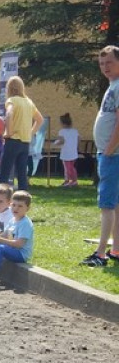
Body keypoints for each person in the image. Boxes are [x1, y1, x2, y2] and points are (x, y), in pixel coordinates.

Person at [81, 45, 119, 266]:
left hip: (112, 155)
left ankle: (101, 253)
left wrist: (109, 149)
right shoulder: (112, 85)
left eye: (110, 62)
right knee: (114, 204)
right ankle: (115, 249)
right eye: (102, 63)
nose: (105, 67)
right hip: (110, 153)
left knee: (106, 204)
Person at [0, 76, 43, 192]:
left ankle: (2, 202)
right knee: (22, 174)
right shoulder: (28, 102)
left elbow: (9, 114)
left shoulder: (11, 100)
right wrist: (31, 133)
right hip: (25, 142)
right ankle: (23, 201)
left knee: (5, 173)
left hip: (13, 140)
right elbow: (40, 120)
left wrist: (8, 132)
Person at [53, 112, 80, 187]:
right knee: (71, 167)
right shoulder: (75, 131)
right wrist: (76, 147)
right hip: (73, 152)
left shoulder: (62, 131)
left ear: (63, 123)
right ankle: (68, 180)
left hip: (66, 152)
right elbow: (78, 139)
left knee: (68, 168)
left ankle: (73, 180)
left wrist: (55, 143)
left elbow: (61, 141)